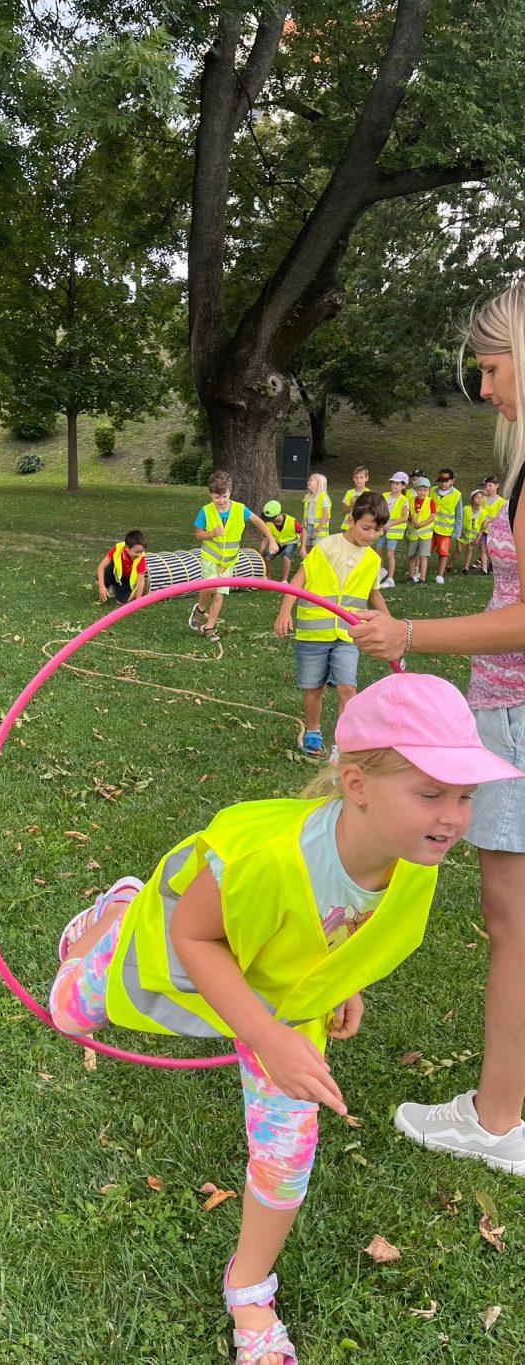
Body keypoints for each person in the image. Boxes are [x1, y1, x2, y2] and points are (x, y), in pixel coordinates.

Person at [48, 673, 523, 1365]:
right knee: (68, 1014)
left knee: (288, 1147)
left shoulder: (416, 857)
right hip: (188, 948)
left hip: (287, 994)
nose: (454, 817)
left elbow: (353, 929)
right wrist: (266, 1036)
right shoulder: (268, 858)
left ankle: (248, 1287)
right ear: (357, 785)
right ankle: (118, 909)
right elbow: (195, 936)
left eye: (465, 795)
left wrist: (340, 983)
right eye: (431, 793)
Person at [350, 280, 525, 1173]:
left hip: (517, 716)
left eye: (491, 369)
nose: (484, 389)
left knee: (512, 920)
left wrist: (408, 633)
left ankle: (496, 1121)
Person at [273, 491, 389, 755]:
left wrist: (390, 623)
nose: (371, 535)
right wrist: (284, 612)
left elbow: (374, 593)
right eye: (366, 528)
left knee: (348, 687)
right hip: (314, 634)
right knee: (314, 688)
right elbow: (299, 580)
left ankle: (344, 741)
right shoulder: (327, 547)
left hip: (348, 634)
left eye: (377, 530)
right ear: (351, 520)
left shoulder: (373, 559)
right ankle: (313, 732)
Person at [189, 470, 278, 643]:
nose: (221, 501)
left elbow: (258, 521)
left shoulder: (239, 509)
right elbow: (199, 535)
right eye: (217, 497)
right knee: (209, 586)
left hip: (228, 562)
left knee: (219, 594)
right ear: (210, 494)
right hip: (210, 557)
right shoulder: (206, 511)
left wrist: (272, 540)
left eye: (224, 496)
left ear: (230, 492)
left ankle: (209, 628)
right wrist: (212, 533)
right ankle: (200, 608)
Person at [259, 500, 306, 582]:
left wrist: (303, 548)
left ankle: (284, 580)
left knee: (286, 556)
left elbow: (303, 531)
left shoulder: (291, 521)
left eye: (270, 518)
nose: (268, 520)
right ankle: (268, 578)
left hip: (291, 542)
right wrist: (260, 554)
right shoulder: (268, 523)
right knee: (267, 557)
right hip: (277, 542)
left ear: (278, 514)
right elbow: (265, 539)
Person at [97, 530, 148, 605]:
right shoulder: (118, 548)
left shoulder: (141, 558)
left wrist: (138, 602)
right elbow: (101, 567)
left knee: (122, 602)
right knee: (98, 582)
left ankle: (139, 591)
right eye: (136, 552)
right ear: (127, 548)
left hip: (127, 579)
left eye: (142, 551)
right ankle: (113, 586)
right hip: (117, 574)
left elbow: (140, 581)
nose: (139, 554)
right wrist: (101, 587)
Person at [377, 471, 410, 588]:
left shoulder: (404, 500)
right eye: (393, 483)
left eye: (397, 483)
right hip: (382, 528)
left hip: (394, 531)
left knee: (390, 553)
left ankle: (390, 578)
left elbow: (405, 517)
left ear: (403, 486)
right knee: (378, 550)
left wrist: (390, 524)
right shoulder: (385, 495)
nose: (394, 485)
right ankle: (380, 570)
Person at [432, 466, 463, 584]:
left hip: (446, 530)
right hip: (430, 527)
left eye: (446, 481)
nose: (443, 484)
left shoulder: (457, 494)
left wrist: (457, 533)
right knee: (425, 551)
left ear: (452, 481)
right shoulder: (432, 491)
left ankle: (440, 575)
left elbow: (459, 515)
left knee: (443, 553)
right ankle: (419, 571)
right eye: (441, 481)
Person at [405, 476, 436, 586]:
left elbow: (433, 516)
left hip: (425, 534)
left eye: (425, 490)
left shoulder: (430, 501)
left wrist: (422, 524)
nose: (422, 492)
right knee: (411, 555)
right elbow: (408, 514)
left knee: (423, 556)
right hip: (413, 533)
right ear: (416, 489)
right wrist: (411, 519)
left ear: (428, 491)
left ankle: (422, 578)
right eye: (420, 489)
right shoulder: (411, 501)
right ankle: (411, 576)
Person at [455, 488, 487, 575]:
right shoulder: (466, 509)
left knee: (469, 549)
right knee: (458, 550)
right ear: (472, 499)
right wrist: (458, 532)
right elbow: (459, 519)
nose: (480, 499)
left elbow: (483, 527)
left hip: (472, 536)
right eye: (477, 497)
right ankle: (449, 564)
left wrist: (478, 538)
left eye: (482, 497)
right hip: (462, 534)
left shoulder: (484, 513)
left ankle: (466, 567)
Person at [480, 475, 505, 574]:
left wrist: (490, 521)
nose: (487, 488)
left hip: (495, 531)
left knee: (493, 550)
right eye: (486, 486)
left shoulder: (502, 502)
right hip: (483, 529)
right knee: (483, 549)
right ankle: (484, 569)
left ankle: (494, 566)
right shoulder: (482, 499)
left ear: (497, 486)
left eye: (490, 485)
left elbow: (501, 517)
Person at [302, 473, 331, 550]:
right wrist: (303, 525)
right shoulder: (308, 497)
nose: (308, 482)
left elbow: (326, 515)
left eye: (311, 480)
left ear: (319, 483)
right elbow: (306, 513)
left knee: (317, 549)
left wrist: (318, 530)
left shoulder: (323, 497)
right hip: (308, 527)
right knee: (307, 547)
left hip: (318, 528)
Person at [340, 465, 370, 531]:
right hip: (349, 524)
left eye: (361, 478)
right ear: (353, 478)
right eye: (356, 478)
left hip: (362, 524)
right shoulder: (349, 493)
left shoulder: (369, 493)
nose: (358, 480)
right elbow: (344, 510)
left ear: (366, 478)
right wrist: (351, 505)